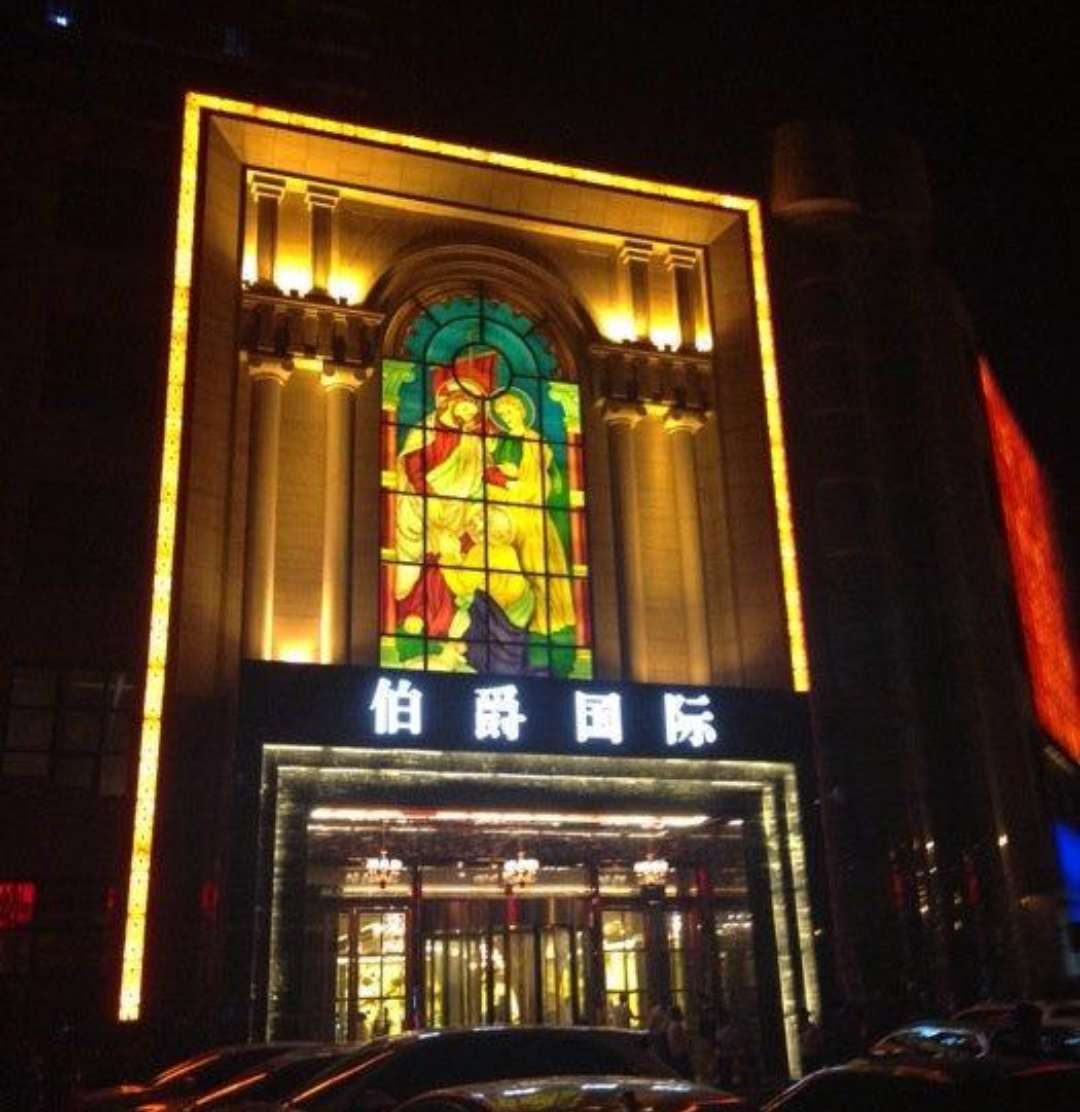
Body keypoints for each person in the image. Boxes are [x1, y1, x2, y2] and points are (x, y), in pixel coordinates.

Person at [665, 1004, 694, 1079]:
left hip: (675, 1053)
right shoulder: (676, 1026)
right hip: (680, 1054)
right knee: (685, 1074)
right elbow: (682, 1041)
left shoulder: (671, 1026)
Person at [797, 1007, 824, 1074]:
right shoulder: (800, 1029)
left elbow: (819, 1041)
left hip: (812, 1055)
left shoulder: (812, 1028)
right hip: (805, 1055)